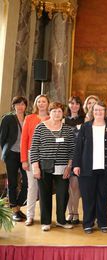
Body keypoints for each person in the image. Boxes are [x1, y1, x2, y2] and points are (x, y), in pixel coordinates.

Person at [73, 101, 107, 234]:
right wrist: (76, 164)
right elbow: (78, 148)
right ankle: (88, 223)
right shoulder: (85, 127)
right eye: (96, 110)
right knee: (88, 197)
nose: (99, 112)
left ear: (105, 112)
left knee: (103, 196)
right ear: (92, 112)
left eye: (101, 110)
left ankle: (103, 223)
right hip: (87, 168)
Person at [30, 102, 75, 231]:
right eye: (54, 111)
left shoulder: (67, 129)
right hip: (44, 167)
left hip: (63, 168)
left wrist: (69, 166)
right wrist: (35, 167)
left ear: (63, 113)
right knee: (45, 195)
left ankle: (61, 220)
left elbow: (72, 150)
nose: (57, 114)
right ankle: (46, 222)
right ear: (49, 112)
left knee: (62, 195)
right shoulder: (40, 128)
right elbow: (34, 149)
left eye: (59, 111)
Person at [20, 94, 50, 226]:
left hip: (48, 155)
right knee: (32, 187)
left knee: (46, 188)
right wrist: (24, 160)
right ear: (36, 104)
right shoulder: (29, 118)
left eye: (44, 101)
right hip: (32, 154)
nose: (41, 104)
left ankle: (46, 218)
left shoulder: (53, 117)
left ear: (48, 104)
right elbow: (24, 140)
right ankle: (30, 216)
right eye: (39, 101)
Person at [0, 96, 28, 222]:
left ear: (26, 106)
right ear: (14, 106)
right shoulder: (8, 118)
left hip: (24, 155)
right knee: (12, 182)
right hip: (11, 154)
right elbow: (2, 138)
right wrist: (6, 151)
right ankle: (14, 210)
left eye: (22, 104)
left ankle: (18, 205)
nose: (20, 106)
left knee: (27, 182)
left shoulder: (28, 118)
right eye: (18, 104)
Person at [64, 96, 85, 225]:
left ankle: (76, 212)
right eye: (72, 103)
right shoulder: (63, 120)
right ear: (69, 105)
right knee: (66, 187)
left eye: (77, 103)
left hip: (79, 156)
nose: (74, 106)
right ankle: (69, 212)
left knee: (75, 186)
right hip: (64, 156)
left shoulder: (84, 120)